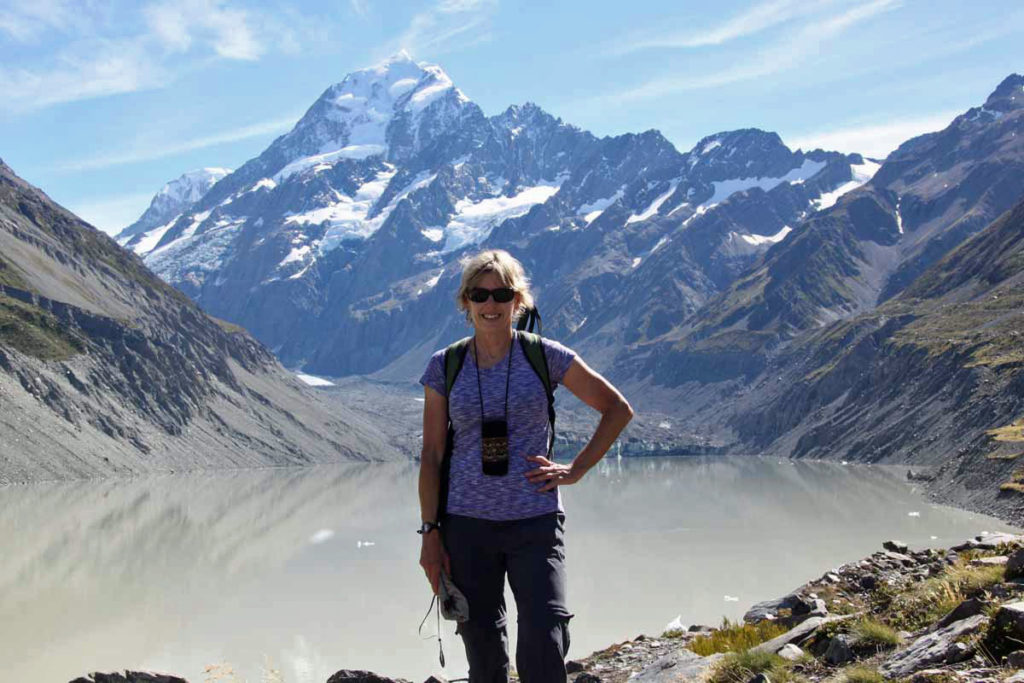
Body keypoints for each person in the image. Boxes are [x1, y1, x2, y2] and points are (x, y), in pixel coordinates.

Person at [418, 249, 634, 682]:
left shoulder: (545, 356)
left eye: (502, 293)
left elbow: (616, 409)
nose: (491, 304)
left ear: (519, 301)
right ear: (466, 302)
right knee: (482, 650)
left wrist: (576, 470)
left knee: (544, 636)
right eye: (480, 294)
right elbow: (433, 455)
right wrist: (430, 534)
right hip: (466, 526)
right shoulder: (446, 366)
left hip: (535, 522)